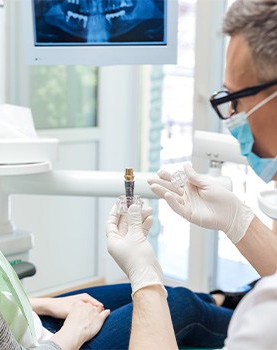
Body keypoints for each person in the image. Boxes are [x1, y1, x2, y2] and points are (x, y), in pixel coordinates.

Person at [0, 36, 232, 350]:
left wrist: (43, 304)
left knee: (163, 293)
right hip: (47, 343)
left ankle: (231, 299)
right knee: (180, 304)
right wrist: (73, 331)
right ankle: (257, 320)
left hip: (26, 324)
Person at [108, 0, 277, 349]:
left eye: (236, 99)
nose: (232, 118)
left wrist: (146, 281)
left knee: (182, 304)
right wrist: (238, 220)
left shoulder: (265, 319)